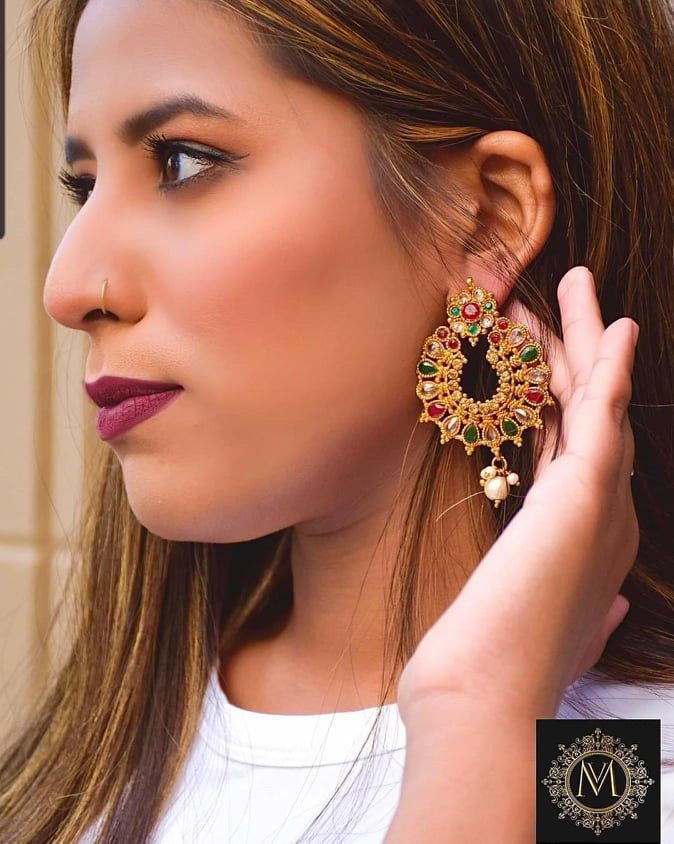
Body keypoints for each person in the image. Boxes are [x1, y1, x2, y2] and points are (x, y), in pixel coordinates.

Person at [1, 0, 673, 840]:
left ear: (489, 217)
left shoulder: (622, 775)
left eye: (181, 162)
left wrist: (477, 715)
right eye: (86, 187)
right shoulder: (83, 773)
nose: (67, 288)